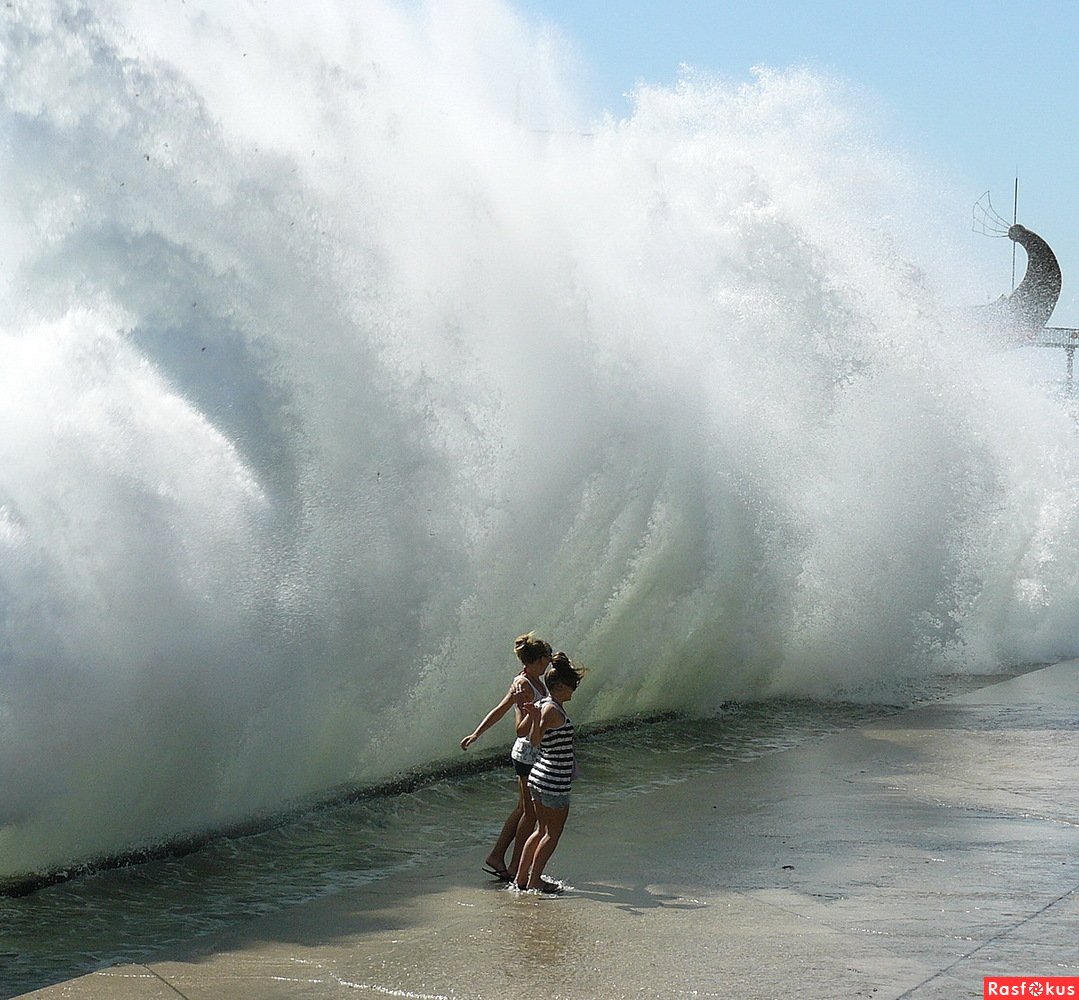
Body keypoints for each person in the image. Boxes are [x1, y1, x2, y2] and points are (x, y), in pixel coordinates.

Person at [460, 632, 552, 880]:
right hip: (527, 755)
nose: (549, 664)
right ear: (539, 659)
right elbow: (519, 727)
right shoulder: (524, 684)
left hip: (534, 753)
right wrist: (477, 734)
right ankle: (514, 867)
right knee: (531, 814)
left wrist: (476, 734)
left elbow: (499, 708)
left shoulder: (534, 680)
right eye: (548, 660)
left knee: (524, 809)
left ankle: (497, 856)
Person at [513, 652, 585, 893]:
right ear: (560, 686)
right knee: (551, 835)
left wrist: (532, 718)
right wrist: (535, 721)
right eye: (571, 686)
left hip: (539, 776)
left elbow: (528, 735)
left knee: (540, 831)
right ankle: (535, 881)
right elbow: (534, 739)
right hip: (553, 780)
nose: (573, 691)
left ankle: (522, 879)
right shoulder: (552, 710)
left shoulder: (544, 702)